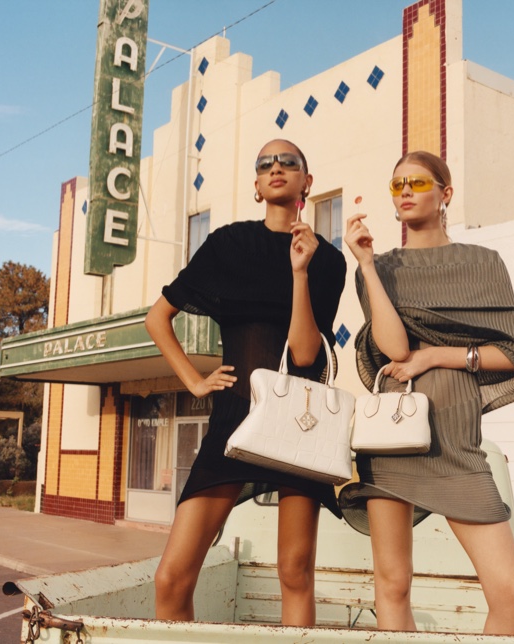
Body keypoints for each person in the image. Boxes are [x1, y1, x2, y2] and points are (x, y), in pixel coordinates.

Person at [145, 139, 346, 625]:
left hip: (298, 424)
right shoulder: (228, 244)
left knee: (295, 573)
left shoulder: (328, 260)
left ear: (306, 182)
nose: (276, 168)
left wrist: (300, 272)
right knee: (171, 578)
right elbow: (158, 317)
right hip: (233, 419)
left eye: (289, 162)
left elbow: (303, 354)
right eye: (265, 164)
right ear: (257, 186)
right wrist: (193, 381)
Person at [339, 151, 514, 635]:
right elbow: (394, 346)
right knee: (393, 585)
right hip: (391, 441)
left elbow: (512, 356)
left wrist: (436, 357)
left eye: (418, 182)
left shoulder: (483, 263)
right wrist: (365, 264)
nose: (404, 191)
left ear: (445, 193)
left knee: (512, 593)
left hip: (455, 440)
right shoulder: (381, 266)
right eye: (396, 184)